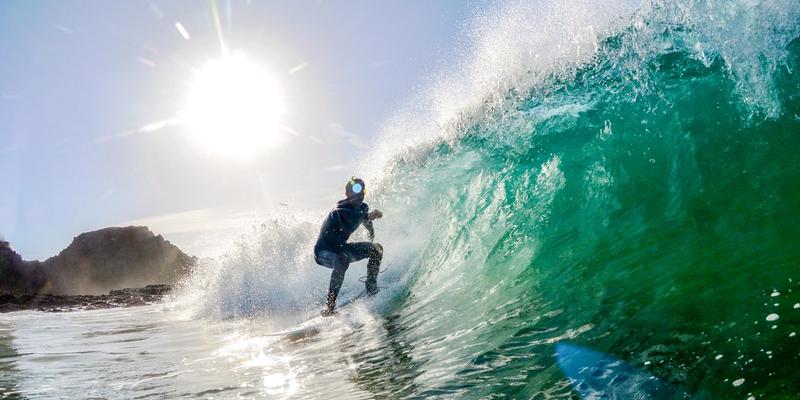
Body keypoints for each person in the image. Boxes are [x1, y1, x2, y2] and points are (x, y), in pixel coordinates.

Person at [314, 177, 384, 316]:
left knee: (376, 249)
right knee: (342, 260)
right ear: (347, 193)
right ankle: (330, 306)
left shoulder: (362, 208)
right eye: (356, 189)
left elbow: (365, 221)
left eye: (363, 189)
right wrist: (370, 215)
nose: (361, 193)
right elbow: (357, 216)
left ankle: (371, 286)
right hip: (323, 251)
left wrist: (371, 234)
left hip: (342, 248)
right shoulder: (339, 210)